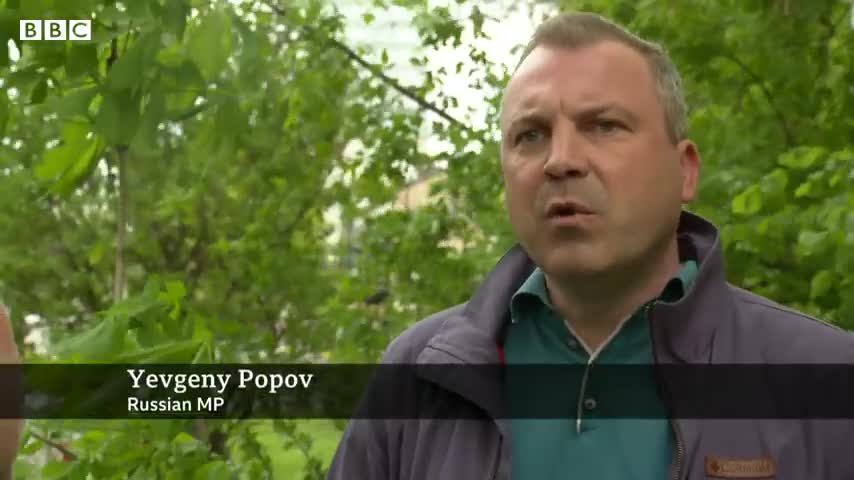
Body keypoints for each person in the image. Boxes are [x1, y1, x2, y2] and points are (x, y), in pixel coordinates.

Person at [327, 11, 854, 480]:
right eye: (530, 135)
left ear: (684, 170)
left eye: (603, 126)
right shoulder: (421, 374)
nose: (561, 160)